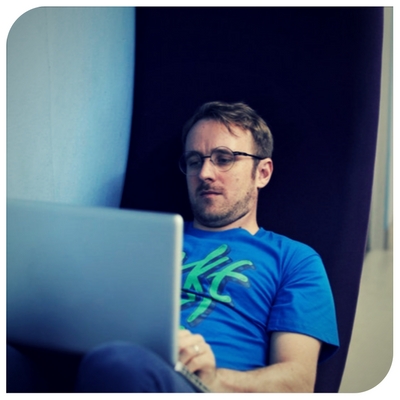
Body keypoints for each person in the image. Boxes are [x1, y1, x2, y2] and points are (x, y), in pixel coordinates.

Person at [7, 101, 339, 393]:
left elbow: (297, 382)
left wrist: (216, 380)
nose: (205, 172)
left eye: (224, 159)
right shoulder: (139, 240)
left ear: (262, 172)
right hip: (98, 367)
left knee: (118, 363)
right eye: (194, 161)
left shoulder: (295, 260)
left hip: (200, 385)